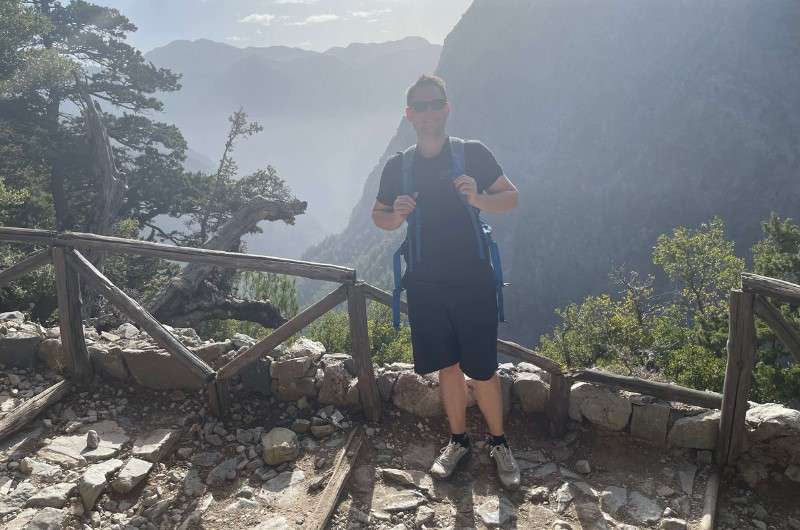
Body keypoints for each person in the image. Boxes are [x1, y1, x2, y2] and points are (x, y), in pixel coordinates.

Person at [371, 74, 521, 489]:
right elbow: (379, 216)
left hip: (473, 279)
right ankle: (458, 442)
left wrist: (478, 199)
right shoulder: (399, 167)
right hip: (426, 284)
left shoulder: (473, 155)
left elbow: (511, 198)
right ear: (409, 115)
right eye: (419, 106)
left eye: (434, 104)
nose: (428, 113)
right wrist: (395, 216)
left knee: (484, 369)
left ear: (446, 107)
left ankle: (499, 443)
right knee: (448, 368)